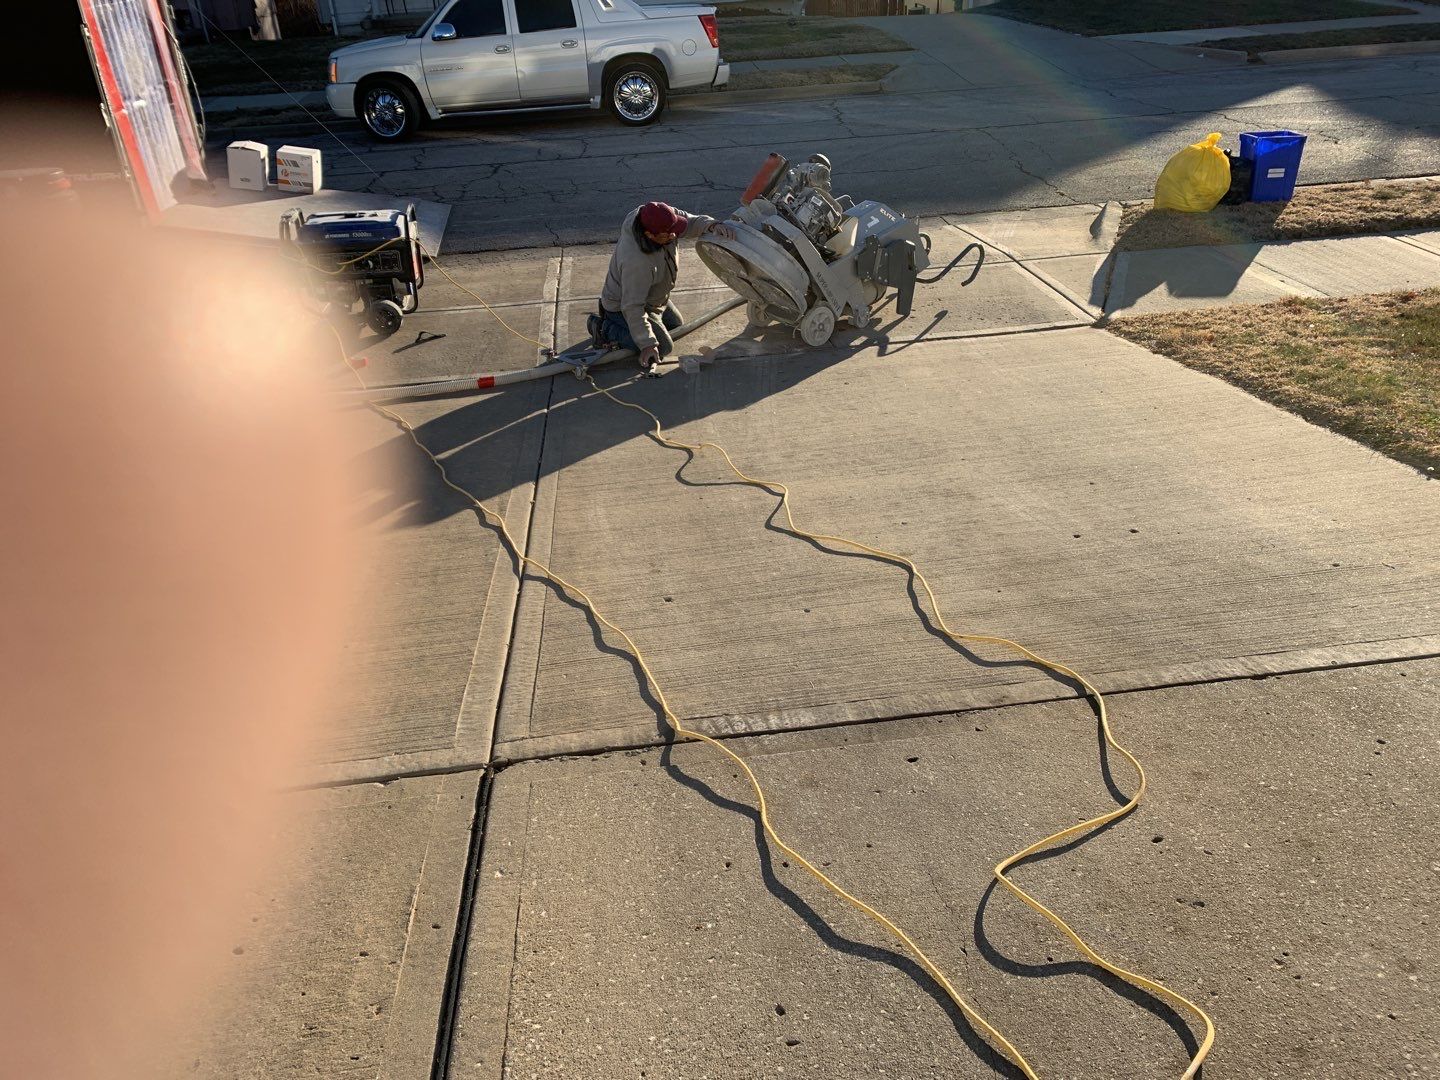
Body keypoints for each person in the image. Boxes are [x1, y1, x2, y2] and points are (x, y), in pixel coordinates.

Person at [592, 201, 735, 373]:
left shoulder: (656, 216)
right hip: (623, 305)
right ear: (649, 235)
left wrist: (712, 225)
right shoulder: (637, 262)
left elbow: (688, 222)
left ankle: (640, 324)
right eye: (667, 234)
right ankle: (604, 327)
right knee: (662, 347)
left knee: (676, 325)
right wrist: (647, 345)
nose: (674, 235)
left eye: (674, 230)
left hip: (654, 298)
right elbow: (632, 306)